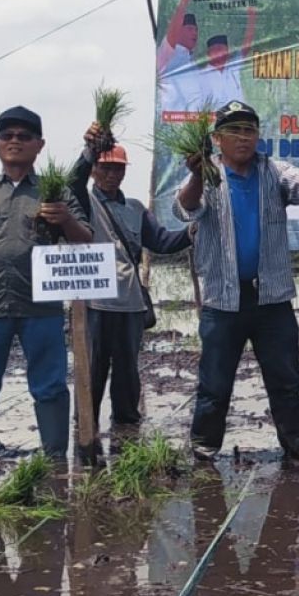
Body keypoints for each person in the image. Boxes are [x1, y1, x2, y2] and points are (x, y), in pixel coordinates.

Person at [174, 100, 299, 461]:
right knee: (214, 385)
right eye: (233, 131)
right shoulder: (208, 176)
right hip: (223, 301)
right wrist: (195, 174)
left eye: (249, 130)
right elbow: (185, 208)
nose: (242, 138)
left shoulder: (273, 171)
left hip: (271, 300)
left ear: (258, 136)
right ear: (217, 139)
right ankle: (204, 450)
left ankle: (294, 447)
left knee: (285, 382)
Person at [0, 106, 93, 458]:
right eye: (7, 135)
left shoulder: (54, 191)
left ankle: (56, 458)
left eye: (24, 136)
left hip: (41, 308)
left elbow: (86, 242)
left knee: (50, 384)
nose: (15, 141)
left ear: (39, 145)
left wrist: (66, 219)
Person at [70, 129, 192, 437]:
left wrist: (191, 233)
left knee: (127, 372)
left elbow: (162, 241)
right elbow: (73, 182)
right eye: (105, 167)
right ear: (95, 170)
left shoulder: (136, 208)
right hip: (94, 302)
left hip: (130, 303)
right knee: (92, 371)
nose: (112, 174)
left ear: (125, 171)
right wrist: (89, 150)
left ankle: (127, 434)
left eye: (118, 168)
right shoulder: (83, 203)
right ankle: (86, 431)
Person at [197, 6, 256, 107]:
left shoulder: (233, 66)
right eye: (215, 49)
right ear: (208, 54)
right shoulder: (202, 75)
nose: (219, 52)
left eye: (221, 48)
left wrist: (252, 17)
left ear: (227, 51)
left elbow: (247, 44)